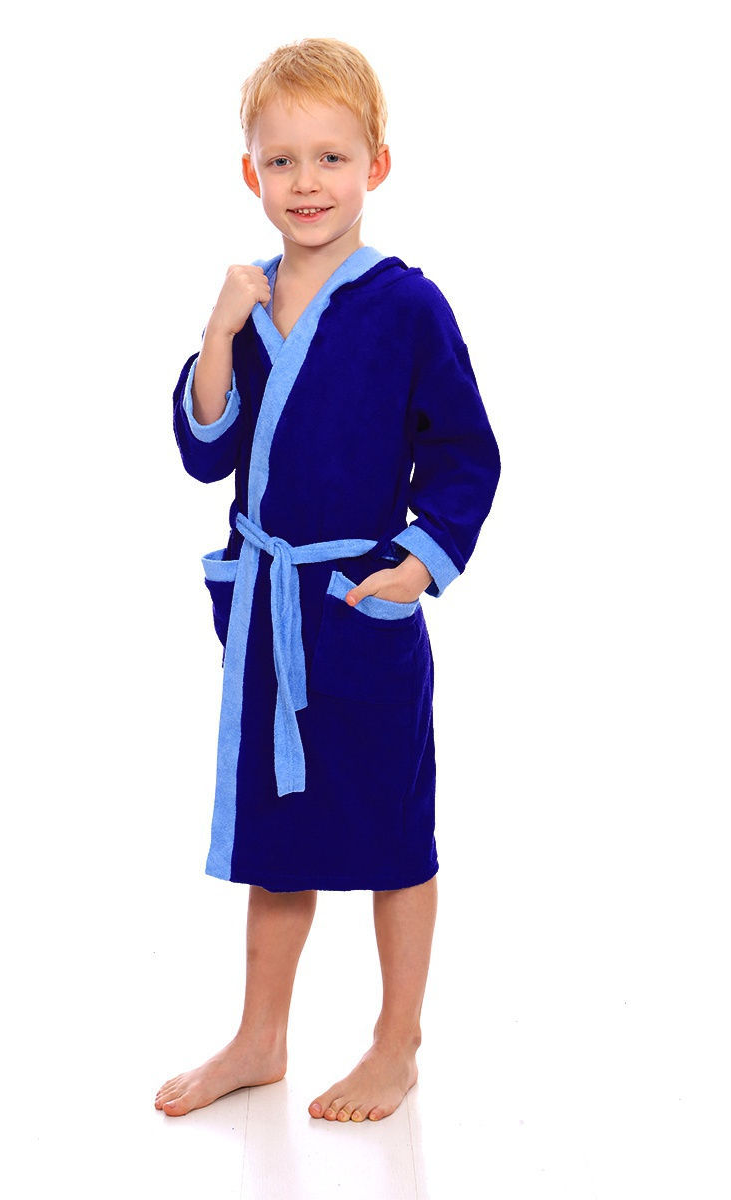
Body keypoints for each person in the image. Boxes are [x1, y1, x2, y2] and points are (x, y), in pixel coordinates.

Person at [157, 37, 501, 1123]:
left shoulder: (407, 307)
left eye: (332, 158)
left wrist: (418, 565)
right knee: (278, 841)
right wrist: (218, 331)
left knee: (396, 835)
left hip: (357, 609)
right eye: (283, 161)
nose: (307, 183)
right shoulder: (250, 308)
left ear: (376, 167)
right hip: (272, 615)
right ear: (250, 173)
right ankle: (260, 1037)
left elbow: (465, 454)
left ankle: (397, 1044)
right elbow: (206, 451)